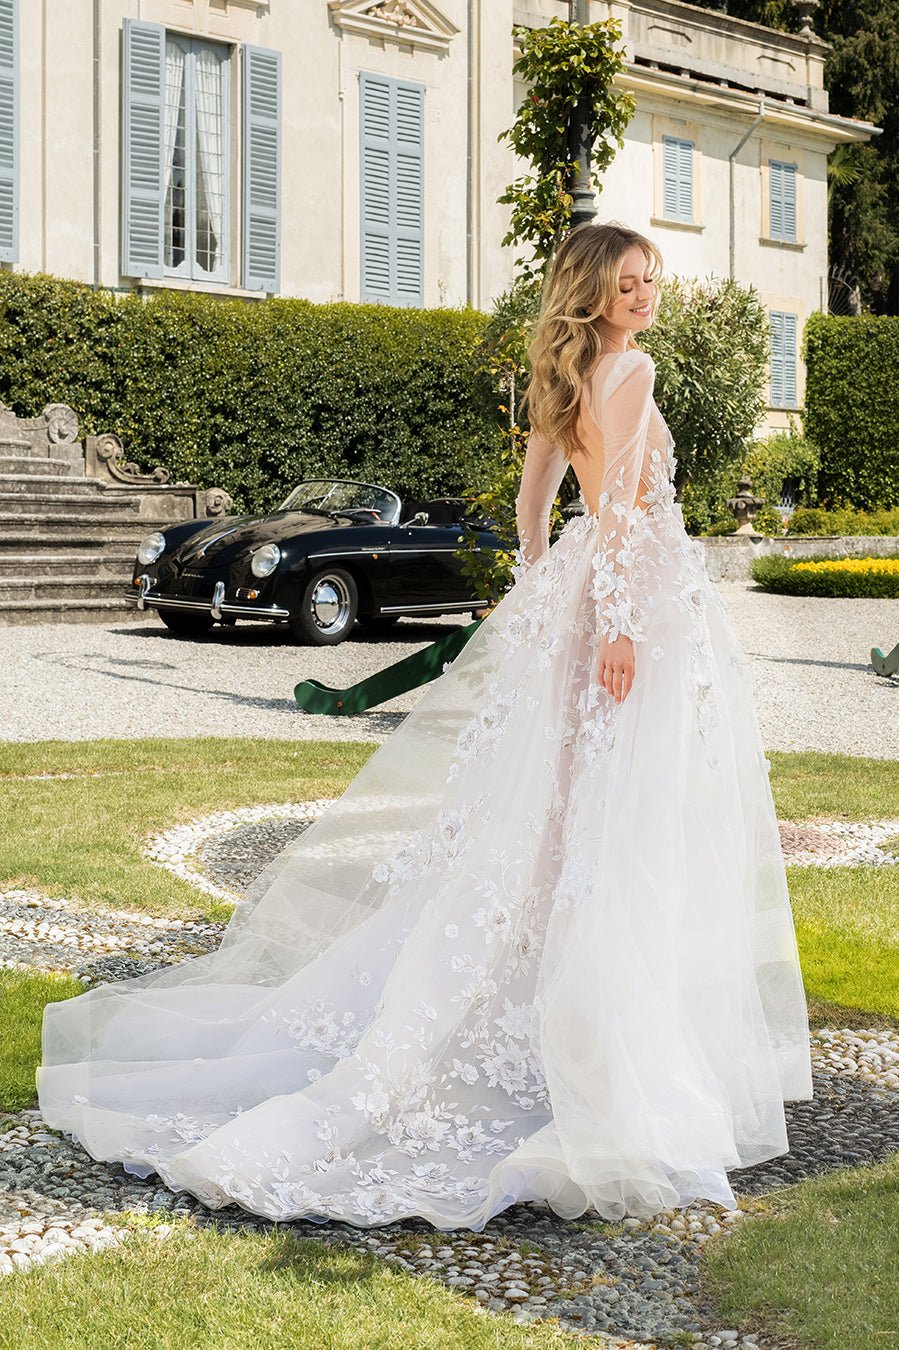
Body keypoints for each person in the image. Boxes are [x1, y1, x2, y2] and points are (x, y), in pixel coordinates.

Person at [37, 221, 812, 1232]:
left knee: (567, 820)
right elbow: (616, 507)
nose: (643, 295)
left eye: (650, 281)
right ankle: (600, 1042)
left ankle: (556, 1010)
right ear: (591, 288)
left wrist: (546, 587)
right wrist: (612, 621)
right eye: (626, 283)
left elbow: (538, 501)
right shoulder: (629, 372)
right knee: (617, 820)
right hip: (634, 607)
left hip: (593, 597)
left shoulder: (566, 374)